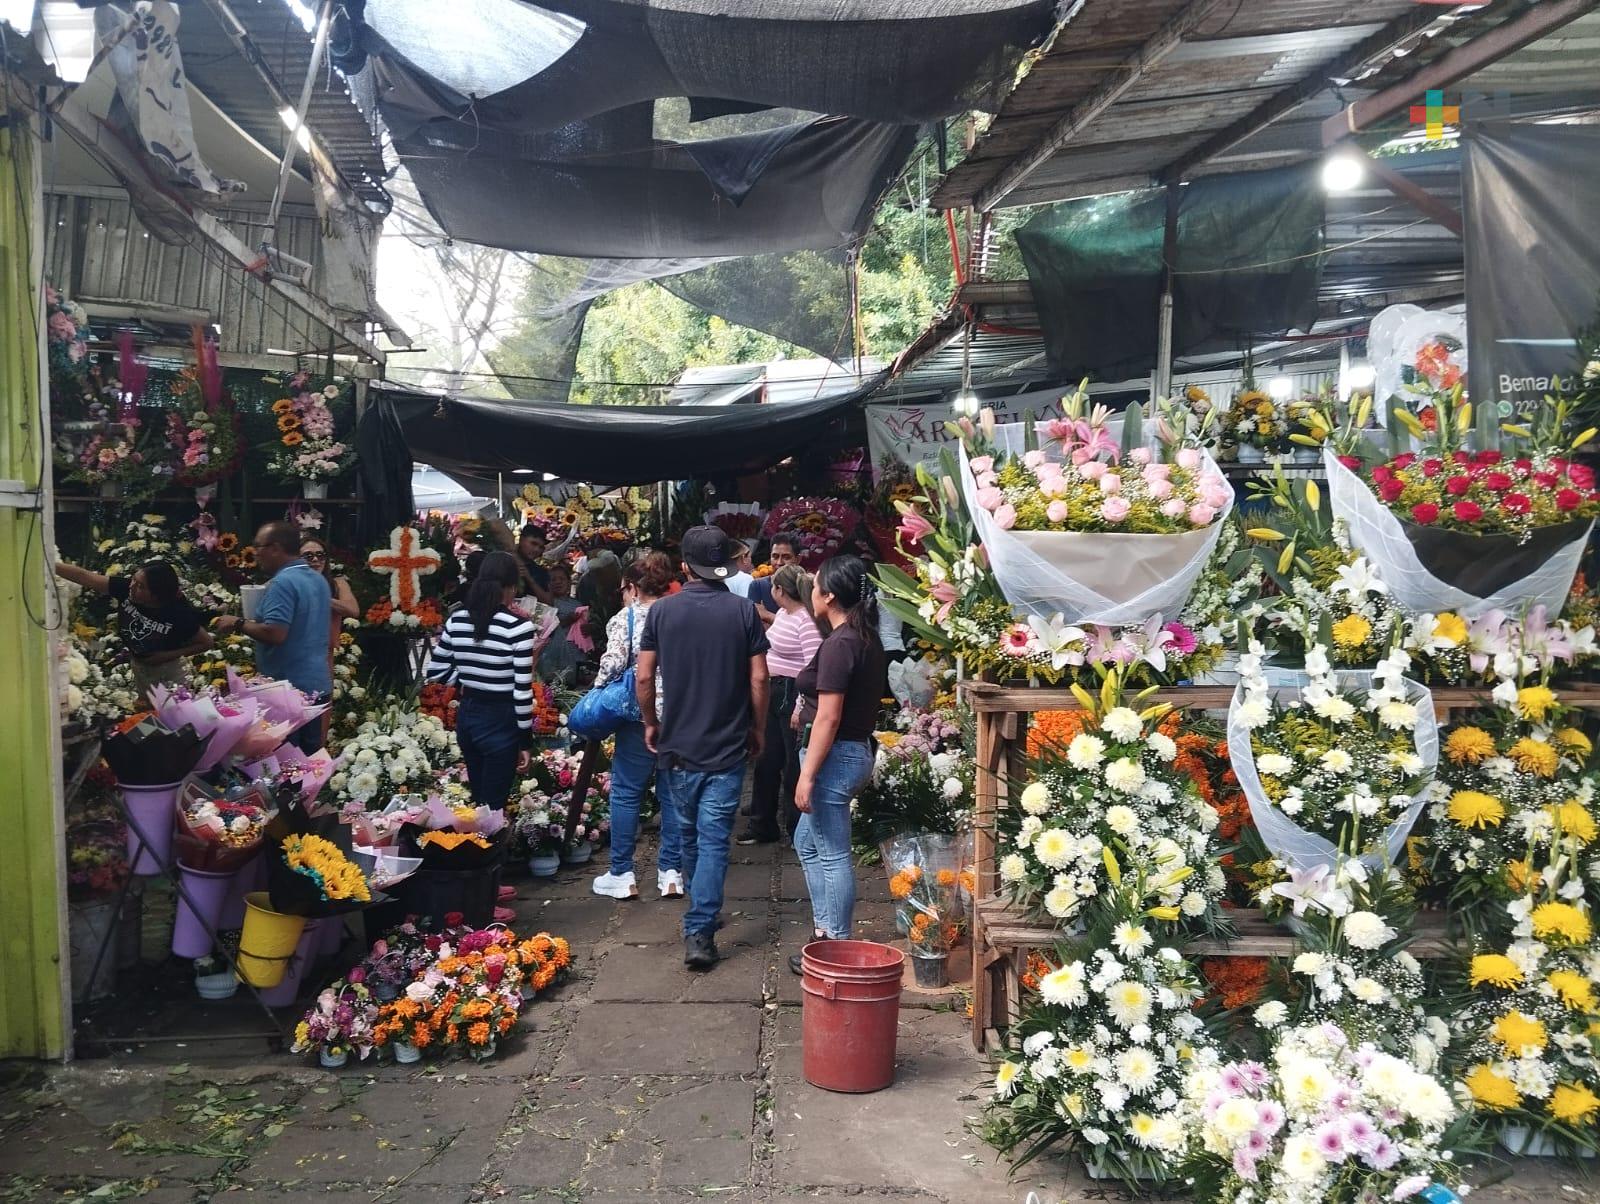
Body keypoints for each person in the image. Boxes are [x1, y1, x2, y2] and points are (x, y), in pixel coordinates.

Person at [637, 525, 769, 971]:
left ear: (684, 565)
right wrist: (758, 727)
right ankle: (700, 926)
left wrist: (651, 723)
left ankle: (700, 918)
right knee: (712, 839)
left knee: (690, 833)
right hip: (728, 743)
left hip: (677, 745)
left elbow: (642, 677)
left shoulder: (660, 612)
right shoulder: (744, 612)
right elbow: (760, 678)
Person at [788, 555, 885, 974]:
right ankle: (825, 931)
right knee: (806, 843)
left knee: (831, 853)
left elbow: (829, 715)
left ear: (828, 595)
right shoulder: (861, 638)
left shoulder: (842, 643)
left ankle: (837, 946)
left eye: (815, 585)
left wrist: (807, 774)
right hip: (849, 752)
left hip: (834, 758)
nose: (811, 592)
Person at [590, 551, 684, 900]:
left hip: (638, 717)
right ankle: (671, 872)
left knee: (628, 792)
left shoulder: (625, 618)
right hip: (679, 715)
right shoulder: (680, 615)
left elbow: (614, 664)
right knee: (672, 793)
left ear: (632, 587)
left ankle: (622, 873)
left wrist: (597, 691)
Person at [424, 551, 536, 810]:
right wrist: (526, 741)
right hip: (501, 719)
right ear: (510, 587)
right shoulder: (519, 628)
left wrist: (466, 680)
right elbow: (521, 692)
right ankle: (488, 848)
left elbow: (436, 673)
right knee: (494, 806)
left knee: (479, 799)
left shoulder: (457, 620)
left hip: (469, 715)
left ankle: (475, 846)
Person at [215, 523, 332, 752]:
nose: (256, 553)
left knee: (286, 768)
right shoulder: (318, 580)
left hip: (287, 692)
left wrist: (237, 622)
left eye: (259, 546)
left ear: (276, 548)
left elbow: (276, 633)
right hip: (316, 684)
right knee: (307, 764)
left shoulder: (282, 583)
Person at [739, 564, 821, 846]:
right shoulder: (785, 614)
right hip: (773, 691)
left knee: (791, 763)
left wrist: (800, 705)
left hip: (790, 692)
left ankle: (796, 828)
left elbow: (812, 666)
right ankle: (763, 824)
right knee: (766, 758)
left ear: (779, 590)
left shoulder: (806, 621)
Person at [54, 558, 212, 701]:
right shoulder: (126, 589)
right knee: (149, 714)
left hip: (169, 672)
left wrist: (164, 656)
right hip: (141, 667)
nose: (132, 586)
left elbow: (206, 642)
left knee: (174, 718)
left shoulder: (178, 613)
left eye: (141, 586)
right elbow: (85, 577)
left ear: (157, 595)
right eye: (134, 580)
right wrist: (49, 564)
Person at [300, 537, 359, 744]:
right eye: (308, 555)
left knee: (320, 717)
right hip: (293, 659)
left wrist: (319, 595)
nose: (315, 559)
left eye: (320, 555)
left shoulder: (337, 583)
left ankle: (315, 765)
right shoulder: (290, 584)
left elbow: (352, 610)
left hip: (322, 659)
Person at [748, 530, 800, 621]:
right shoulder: (758, 586)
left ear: (798, 559)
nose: (779, 563)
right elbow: (753, 622)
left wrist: (768, 616)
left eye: (786, 557)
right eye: (775, 557)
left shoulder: (805, 586)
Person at [515, 525, 556, 605]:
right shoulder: (504, 559)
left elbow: (549, 602)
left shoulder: (541, 572)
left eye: (541, 547)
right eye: (533, 543)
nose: (536, 550)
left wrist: (529, 578)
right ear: (521, 539)